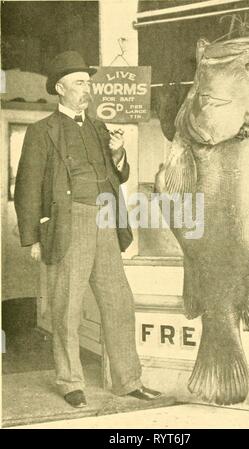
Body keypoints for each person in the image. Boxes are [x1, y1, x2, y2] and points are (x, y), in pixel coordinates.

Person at [14, 51, 162, 408]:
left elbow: (119, 176)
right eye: (80, 83)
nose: (87, 89)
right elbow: (27, 187)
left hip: (106, 219)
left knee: (119, 301)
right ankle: (69, 382)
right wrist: (32, 238)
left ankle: (129, 380)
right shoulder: (41, 131)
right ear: (61, 89)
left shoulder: (98, 127)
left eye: (88, 82)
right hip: (70, 222)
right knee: (67, 306)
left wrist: (119, 153)